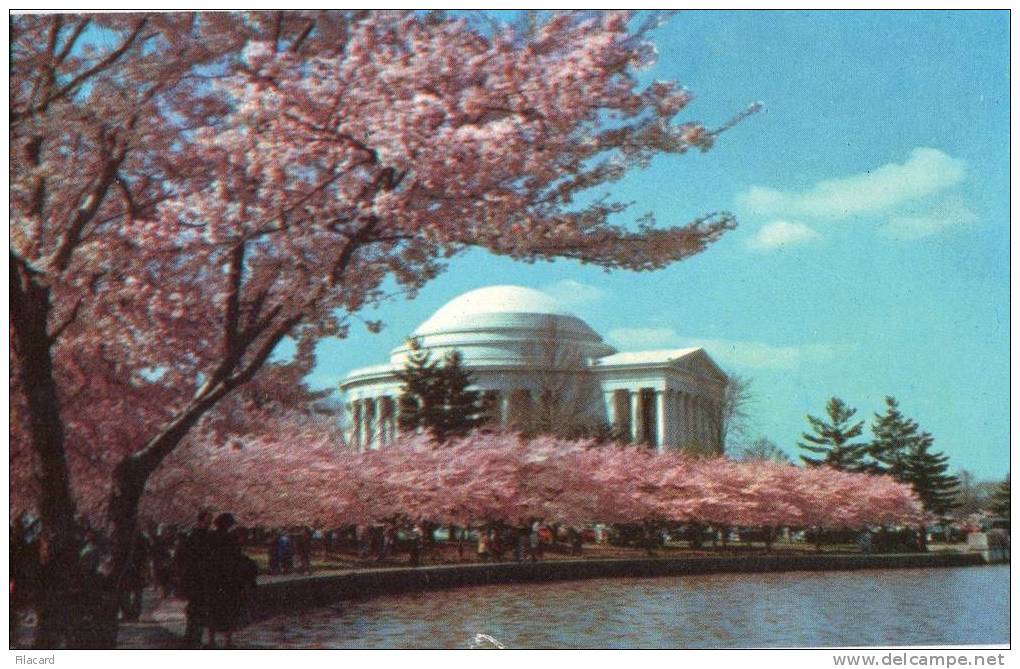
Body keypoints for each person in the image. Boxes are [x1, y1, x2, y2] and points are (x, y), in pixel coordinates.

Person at [206, 513, 257, 649]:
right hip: (228, 579)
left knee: (213, 610)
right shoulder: (230, 539)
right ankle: (228, 641)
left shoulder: (210, 537)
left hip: (213, 578)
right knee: (230, 609)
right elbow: (237, 559)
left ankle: (211, 641)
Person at [176, 510, 213, 648]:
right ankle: (194, 639)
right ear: (202, 520)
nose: (210, 522)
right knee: (199, 609)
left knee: (195, 608)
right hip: (199, 577)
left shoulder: (191, 536)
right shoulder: (201, 537)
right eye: (208, 519)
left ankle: (191, 637)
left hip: (192, 577)